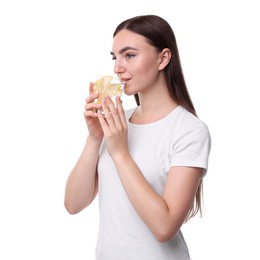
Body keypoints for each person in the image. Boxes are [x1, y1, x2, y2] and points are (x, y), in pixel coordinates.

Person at [64, 14, 211, 260]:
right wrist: (94, 138)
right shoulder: (118, 124)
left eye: (129, 55)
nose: (117, 68)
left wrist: (120, 153)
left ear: (163, 58)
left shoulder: (190, 131)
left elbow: (165, 227)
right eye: (115, 57)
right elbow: (73, 204)